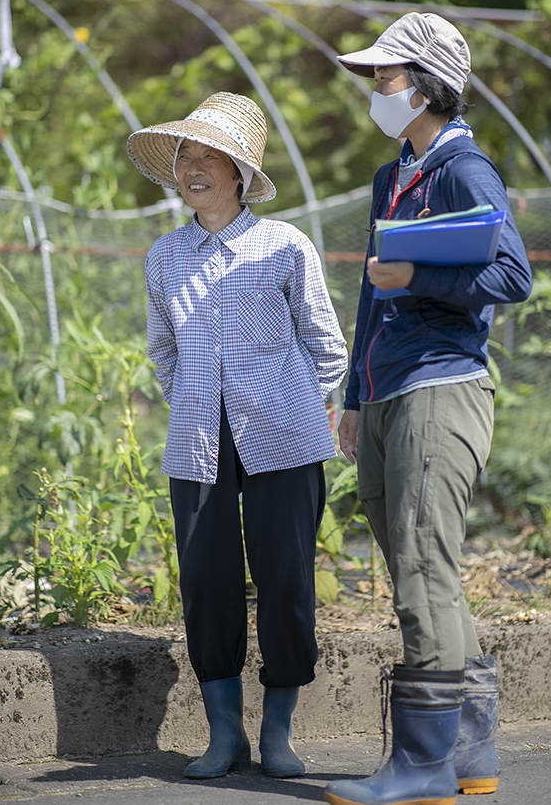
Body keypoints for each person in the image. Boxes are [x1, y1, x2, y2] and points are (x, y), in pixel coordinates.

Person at [323, 14, 532, 805]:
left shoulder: (464, 170)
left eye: (387, 76)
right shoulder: (393, 176)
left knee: (421, 567)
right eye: (376, 78)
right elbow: (372, 292)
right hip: (384, 394)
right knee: (419, 564)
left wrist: (417, 278)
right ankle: (471, 753)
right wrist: (352, 397)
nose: (377, 90)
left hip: (442, 388)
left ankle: (422, 764)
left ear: (428, 82)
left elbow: (512, 278)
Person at [126, 91, 348, 780]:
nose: (192, 169)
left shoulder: (284, 245)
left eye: (207, 157)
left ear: (240, 175)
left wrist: (294, 408)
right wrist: (195, 396)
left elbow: (326, 345)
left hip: (284, 434)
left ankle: (277, 731)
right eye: (184, 157)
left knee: (285, 580)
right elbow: (163, 349)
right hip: (196, 439)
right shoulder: (166, 256)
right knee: (206, 583)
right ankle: (226, 735)